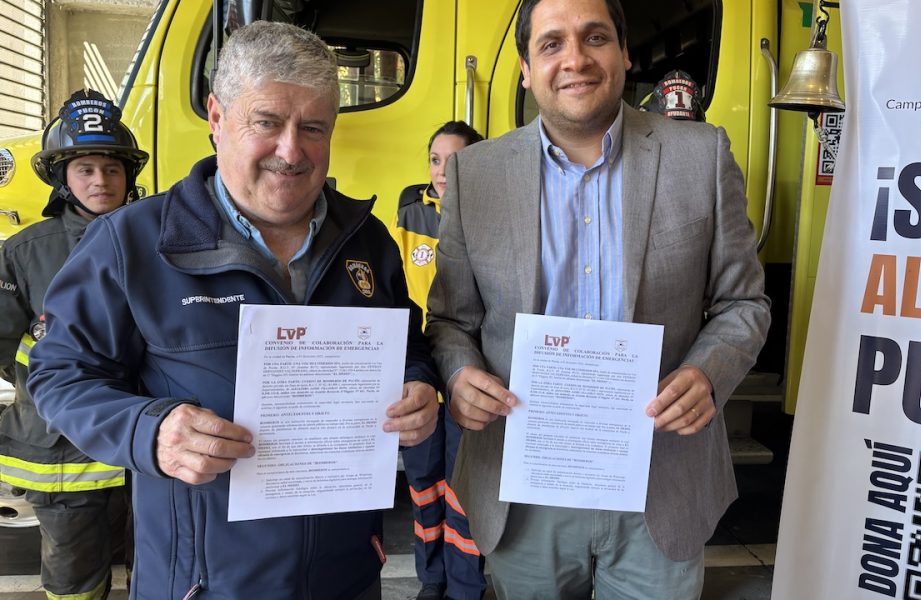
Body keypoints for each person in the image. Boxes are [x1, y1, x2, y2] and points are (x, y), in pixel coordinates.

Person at [27, 22, 439, 598]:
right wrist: (150, 430)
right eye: (267, 123)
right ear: (217, 118)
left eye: (313, 128)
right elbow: (59, 374)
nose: (291, 151)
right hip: (204, 585)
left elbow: (409, 344)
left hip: (346, 577)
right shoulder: (132, 244)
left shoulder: (366, 240)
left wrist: (418, 385)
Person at [423, 0, 772, 597]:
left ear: (625, 53)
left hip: (660, 480)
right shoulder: (475, 175)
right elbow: (451, 318)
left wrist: (708, 375)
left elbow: (744, 304)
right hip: (523, 485)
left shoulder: (701, 156)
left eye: (595, 37)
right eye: (551, 43)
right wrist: (458, 375)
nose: (575, 59)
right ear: (526, 69)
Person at [0, 89, 145, 600]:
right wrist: (52, 385)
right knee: (74, 580)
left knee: (155, 565)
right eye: (85, 169)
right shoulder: (26, 252)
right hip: (63, 455)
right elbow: (5, 344)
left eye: (112, 168)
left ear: (128, 175)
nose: (100, 180)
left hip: (141, 447)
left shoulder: (156, 239)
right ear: (63, 178)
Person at [392, 122, 486, 600]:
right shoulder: (409, 213)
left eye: (454, 160)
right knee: (424, 482)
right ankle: (432, 580)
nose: (442, 171)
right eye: (434, 159)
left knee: (464, 487)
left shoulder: (491, 217)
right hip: (421, 374)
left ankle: (466, 589)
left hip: (469, 373)